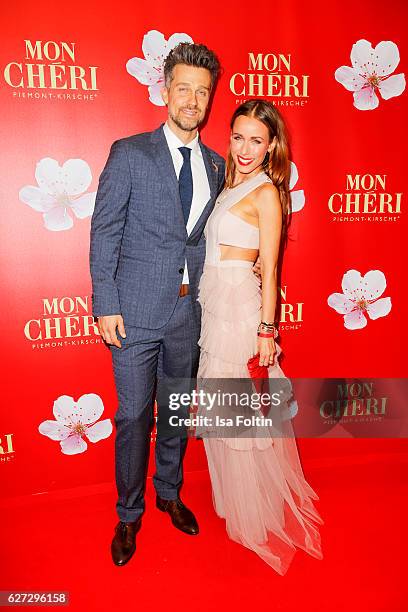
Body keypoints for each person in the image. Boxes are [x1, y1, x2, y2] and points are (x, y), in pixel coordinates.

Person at [89, 42, 226, 566]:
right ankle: (129, 514)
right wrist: (106, 303)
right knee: (131, 416)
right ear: (165, 90)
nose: (192, 99)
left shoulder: (216, 164)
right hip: (134, 311)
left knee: (175, 411)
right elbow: (105, 230)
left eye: (202, 91)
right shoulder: (129, 152)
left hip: (188, 314)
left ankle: (168, 491)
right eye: (184, 88)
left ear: (209, 100)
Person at [196, 99, 324, 575]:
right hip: (215, 305)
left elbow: (270, 268)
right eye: (238, 137)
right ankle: (234, 498)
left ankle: (253, 512)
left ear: (272, 146)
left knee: (242, 414)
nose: (245, 148)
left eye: (256, 140)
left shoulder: (267, 192)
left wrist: (267, 331)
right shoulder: (232, 183)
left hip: (242, 313)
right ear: (228, 138)